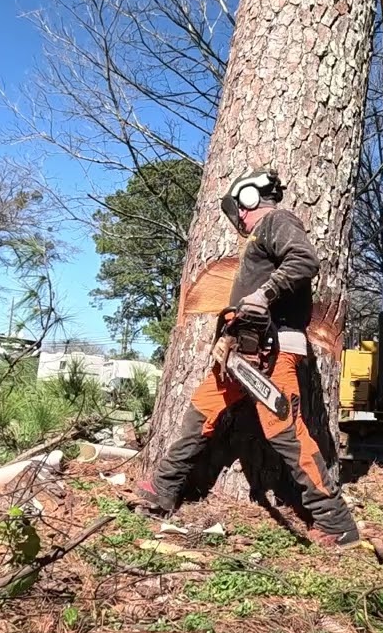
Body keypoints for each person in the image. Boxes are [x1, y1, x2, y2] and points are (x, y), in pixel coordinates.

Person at [133, 167, 361, 549]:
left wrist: (264, 295)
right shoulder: (261, 234)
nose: (238, 217)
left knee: (286, 432)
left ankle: (336, 522)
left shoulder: (276, 221)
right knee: (201, 412)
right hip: (242, 352)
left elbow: (304, 260)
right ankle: (163, 489)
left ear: (250, 199)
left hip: (272, 350)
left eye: (238, 208)